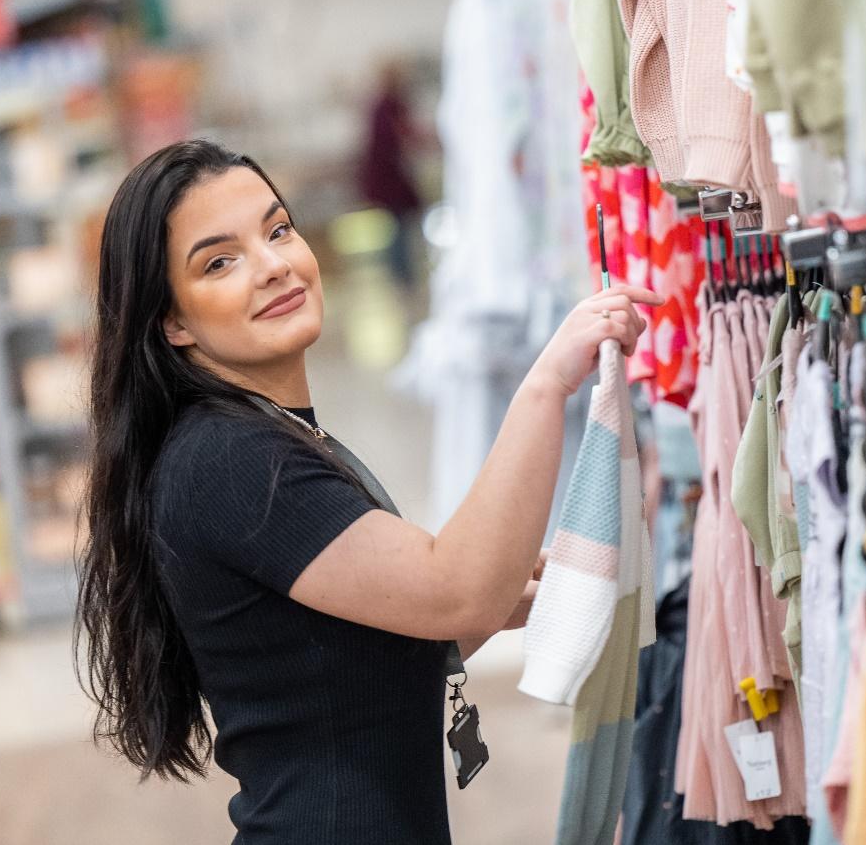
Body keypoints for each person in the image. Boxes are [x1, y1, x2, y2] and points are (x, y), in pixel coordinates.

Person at [77, 139, 663, 845]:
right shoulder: (229, 459)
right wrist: (547, 383)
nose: (272, 265)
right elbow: (453, 587)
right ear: (171, 320)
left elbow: (352, 668)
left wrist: (512, 587)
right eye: (219, 261)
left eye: (277, 230)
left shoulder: (264, 436)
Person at [358, 60, 424, 290]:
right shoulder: (384, 109)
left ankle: (405, 276)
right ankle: (402, 278)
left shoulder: (391, 106)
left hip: (392, 181)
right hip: (389, 182)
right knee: (397, 232)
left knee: (400, 230)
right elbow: (390, 144)